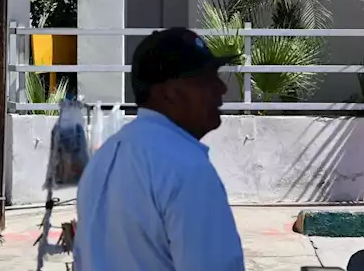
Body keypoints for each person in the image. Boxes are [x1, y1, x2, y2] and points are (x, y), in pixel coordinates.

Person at [73, 27, 244, 271]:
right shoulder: (187, 168)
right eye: (206, 79)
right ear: (169, 93)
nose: (221, 89)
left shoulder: (104, 157)